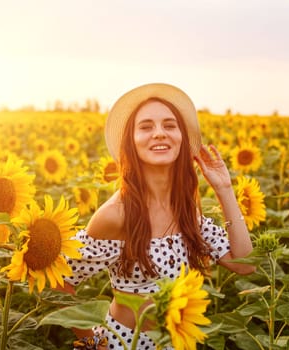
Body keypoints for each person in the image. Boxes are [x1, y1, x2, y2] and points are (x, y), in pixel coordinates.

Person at [61, 83, 256, 349]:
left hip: (175, 340)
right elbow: (61, 280)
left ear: (181, 138)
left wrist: (224, 189)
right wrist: (95, 342)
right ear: (131, 141)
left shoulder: (186, 209)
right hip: (125, 342)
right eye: (146, 127)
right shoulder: (116, 215)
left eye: (169, 125)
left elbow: (245, 265)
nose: (159, 133)